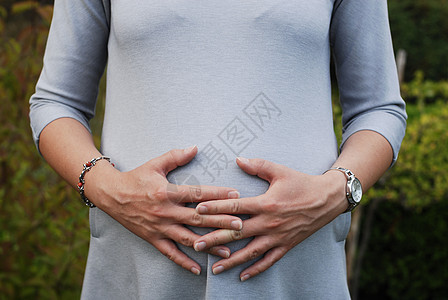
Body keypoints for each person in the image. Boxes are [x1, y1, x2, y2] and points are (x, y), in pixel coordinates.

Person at [29, 0, 407, 299]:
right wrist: (110, 189)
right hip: (140, 272)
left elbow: (379, 110)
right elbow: (55, 103)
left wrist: (333, 193)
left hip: (295, 275)